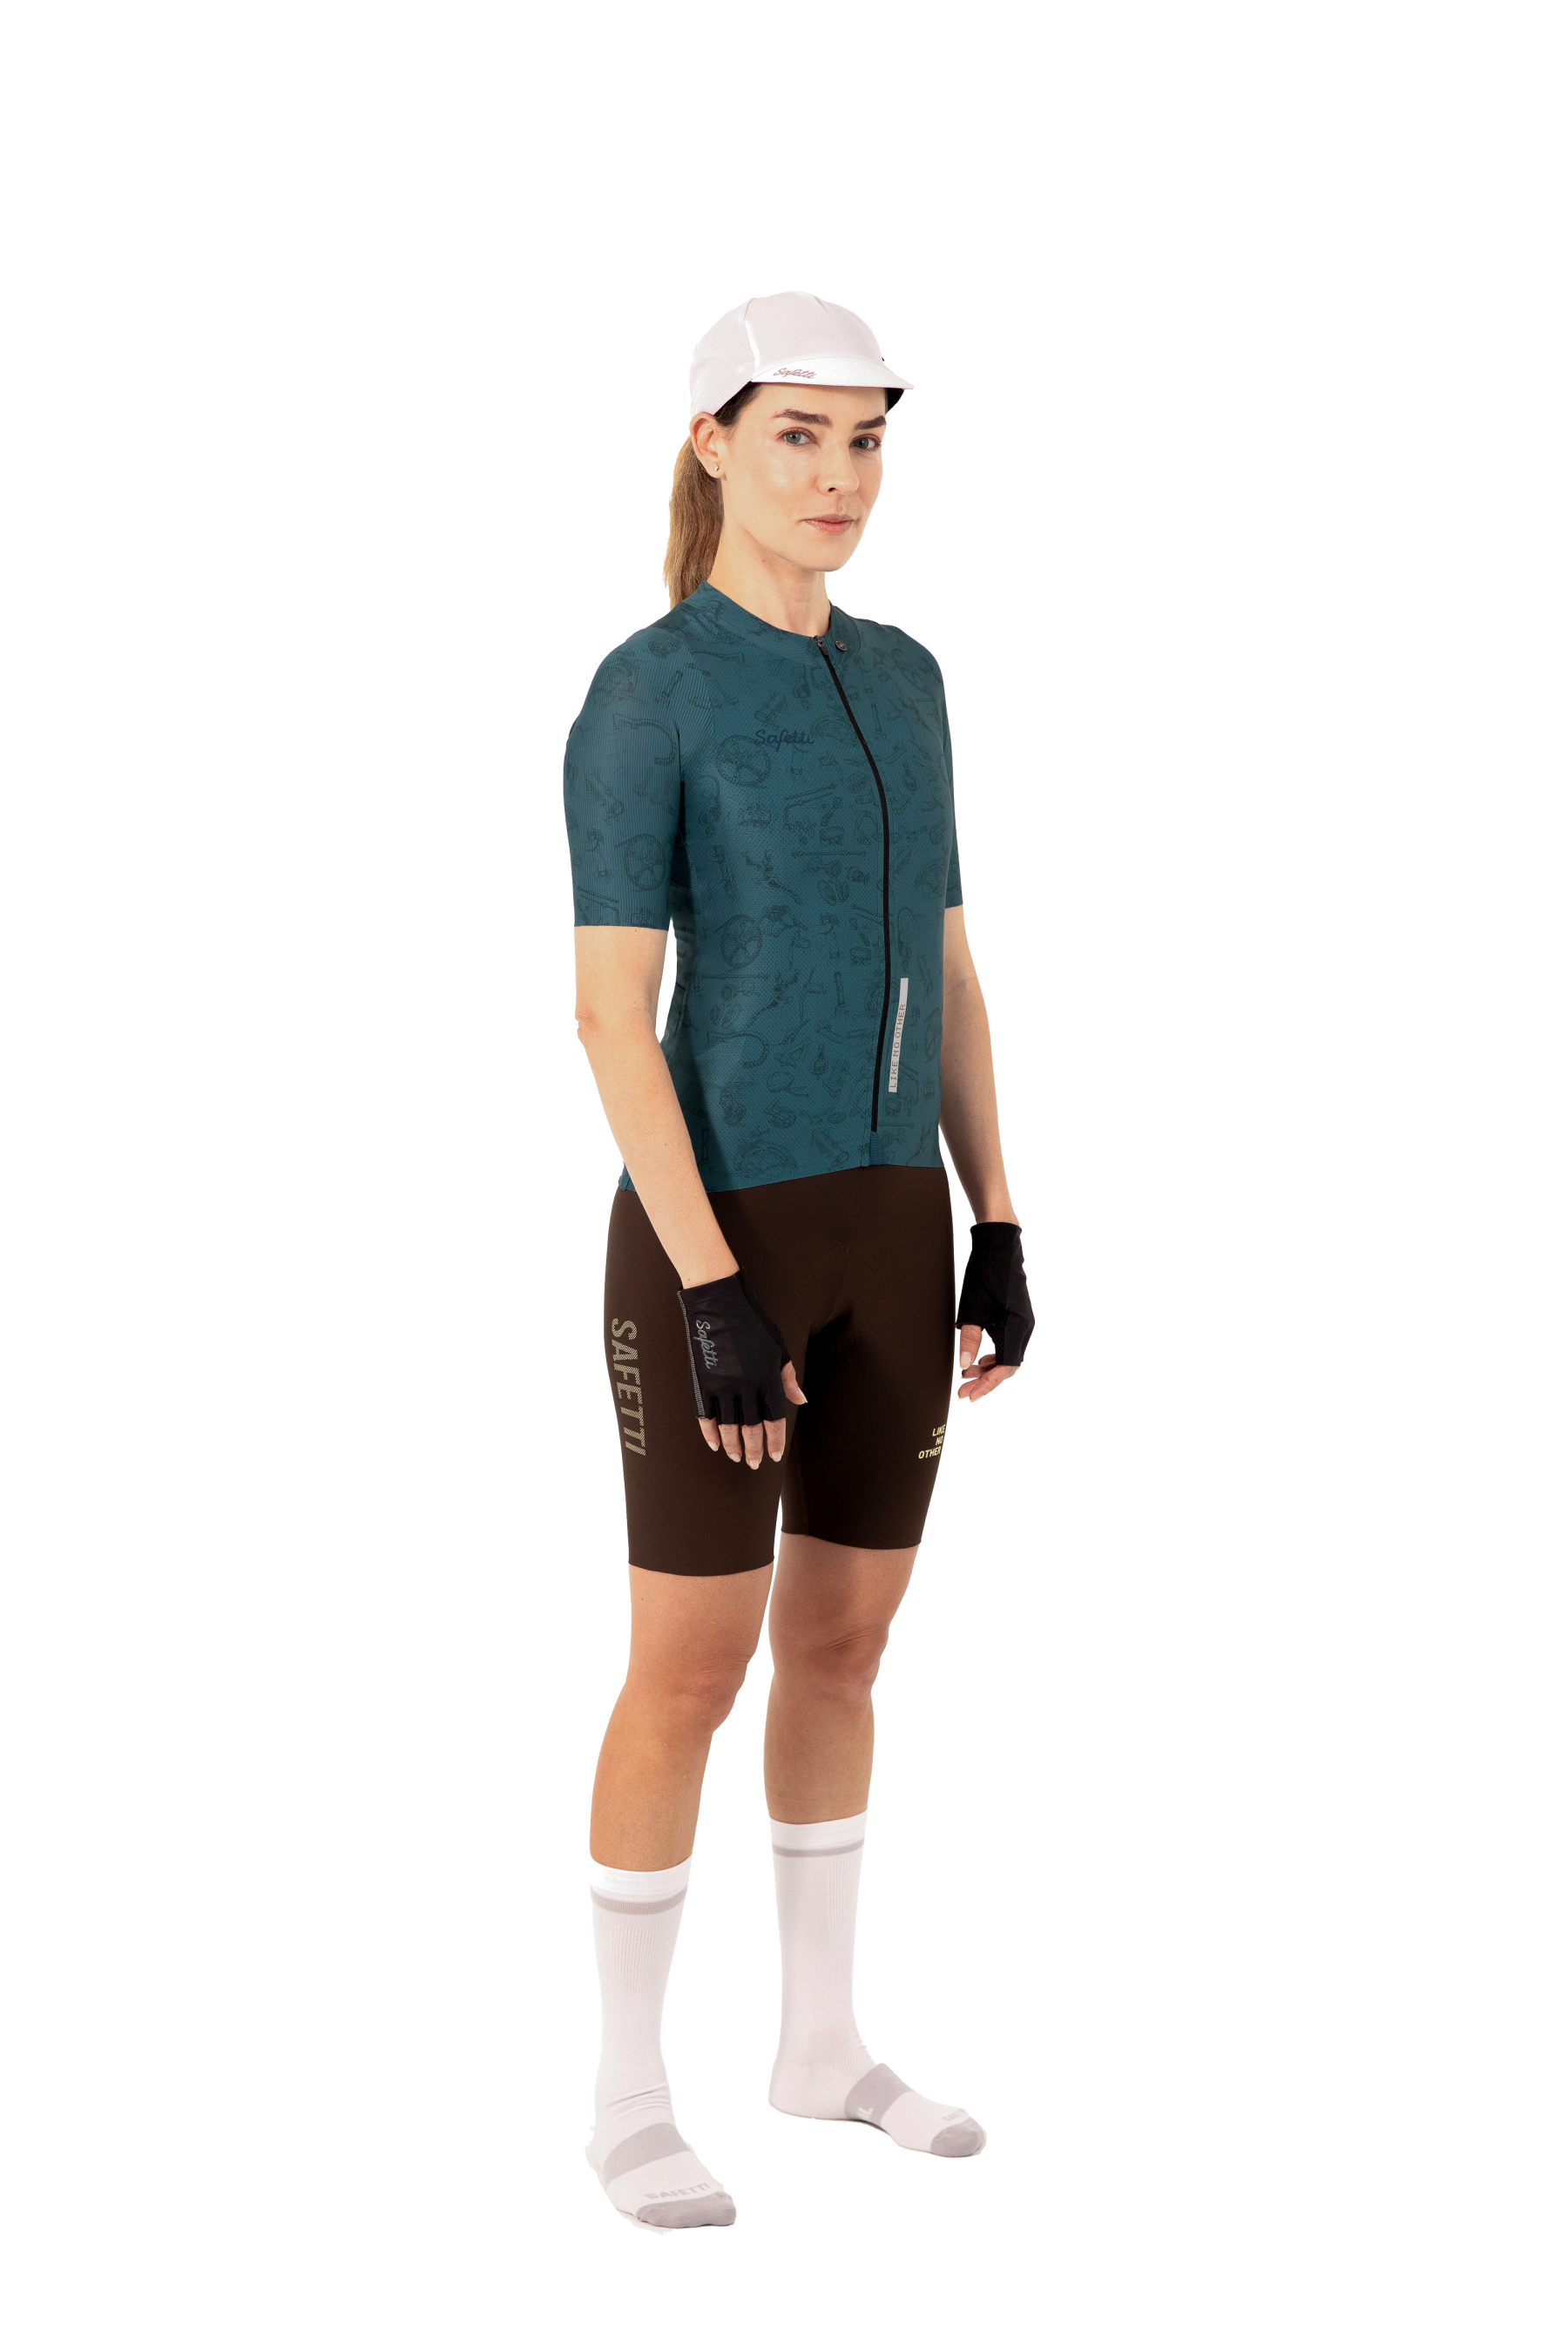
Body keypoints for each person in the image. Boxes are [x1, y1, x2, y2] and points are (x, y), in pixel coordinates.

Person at [565, 291, 1035, 2230]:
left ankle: (821, 2048)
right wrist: (708, 1290)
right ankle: (625, 2093)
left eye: (866, 440)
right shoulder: (649, 692)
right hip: (723, 1237)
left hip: (892, 1229)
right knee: (690, 1666)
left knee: (846, 1647)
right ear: (713, 445)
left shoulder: (908, 677)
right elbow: (610, 1019)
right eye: (798, 436)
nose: (840, 476)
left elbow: (952, 971)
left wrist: (998, 1219)